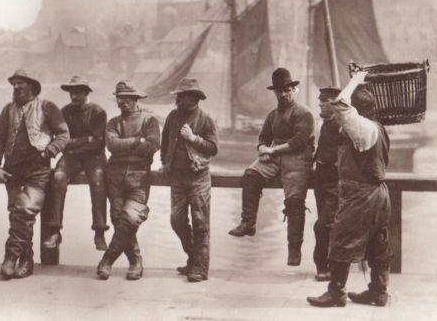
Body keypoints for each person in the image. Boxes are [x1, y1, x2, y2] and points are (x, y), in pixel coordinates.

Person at [308, 71, 393, 308]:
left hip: (359, 195)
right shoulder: (377, 127)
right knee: (378, 242)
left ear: (357, 110)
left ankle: (336, 293)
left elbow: (340, 104)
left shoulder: (361, 127)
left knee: (341, 239)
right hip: (379, 194)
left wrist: (356, 79)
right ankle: (379, 291)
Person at [228, 67, 315, 266]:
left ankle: (294, 250)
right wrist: (263, 149)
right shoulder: (272, 115)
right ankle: (248, 223)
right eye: (279, 91)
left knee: (294, 201)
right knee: (250, 174)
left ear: (294, 90)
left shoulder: (304, 113)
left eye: (287, 90)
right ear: (274, 92)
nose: (283, 94)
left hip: (298, 158)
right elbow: (263, 138)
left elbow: (298, 142)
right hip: (275, 157)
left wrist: (272, 151)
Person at [0, 70, 69, 280]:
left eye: (20, 83)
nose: (16, 87)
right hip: (12, 169)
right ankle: (27, 260)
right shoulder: (8, 110)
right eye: (14, 84)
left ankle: (10, 257)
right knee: (17, 214)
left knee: (25, 209)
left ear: (32, 86)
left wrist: (49, 151)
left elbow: (63, 134)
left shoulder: (47, 107)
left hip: (37, 169)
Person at [96, 81, 160, 281]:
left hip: (139, 177)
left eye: (127, 98)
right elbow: (112, 145)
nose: (122, 102)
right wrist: (136, 141)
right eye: (120, 98)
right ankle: (136, 261)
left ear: (135, 99)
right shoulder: (113, 122)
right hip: (114, 176)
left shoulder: (149, 121)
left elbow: (153, 145)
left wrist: (133, 146)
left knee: (131, 218)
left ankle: (107, 260)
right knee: (118, 218)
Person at [160, 77, 218, 282]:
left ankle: (200, 269)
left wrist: (193, 138)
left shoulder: (206, 119)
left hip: (198, 177)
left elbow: (213, 148)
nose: (180, 99)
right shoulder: (172, 117)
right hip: (177, 177)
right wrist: (165, 163)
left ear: (195, 98)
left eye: (184, 96)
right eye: (179, 96)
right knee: (176, 220)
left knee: (201, 222)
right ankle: (194, 258)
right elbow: (165, 142)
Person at [42, 75, 109, 251]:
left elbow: (97, 143)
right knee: (57, 178)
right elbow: (62, 139)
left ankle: (100, 231)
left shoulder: (98, 112)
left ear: (86, 92)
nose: (73, 96)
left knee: (98, 181)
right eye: (71, 93)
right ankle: (55, 230)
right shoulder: (64, 112)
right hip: (72, 156)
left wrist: (74, 144)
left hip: (94, 157)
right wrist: (83, 141)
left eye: (78, 93)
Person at [312, 87, 342, 281]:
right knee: (326, 223)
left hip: (335, 180)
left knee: (324, 225)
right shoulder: (326, 124)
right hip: (320, 179)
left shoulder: (341, 125)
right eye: (321, 101)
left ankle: (325, 266)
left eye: (326, 101)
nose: (321, 104)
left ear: (335, 104)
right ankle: (327, 266)